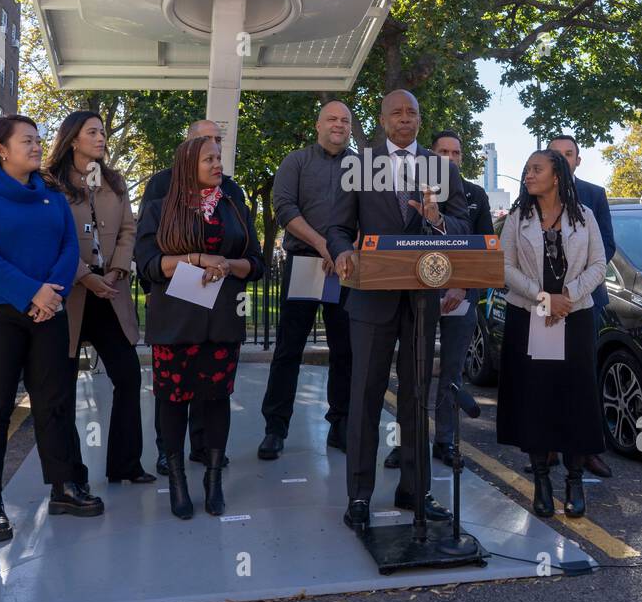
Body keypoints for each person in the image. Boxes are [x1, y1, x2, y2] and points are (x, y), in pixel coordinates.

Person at [327, 90, 471, 533]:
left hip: (422, 300)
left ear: (420, 119)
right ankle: (358, 495)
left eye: (413, 111)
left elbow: (464, 224)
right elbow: (336, 225)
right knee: (365, 397)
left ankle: (415, 488)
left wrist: (439, 218)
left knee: (415, 397)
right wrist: (342, 250)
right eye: (397, 113)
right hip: (371, 297)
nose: (405, 119)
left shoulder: (441, 168)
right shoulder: (360, 164)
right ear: (383, 120)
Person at [0, 115, 103, 544]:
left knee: (53, 403)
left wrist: (50, 296)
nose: (38, 146)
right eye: (27, 141)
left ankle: (64, 487)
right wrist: (31, 293)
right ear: (1, 149)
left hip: (48, 311)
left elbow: (68, 248)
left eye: (39, 140)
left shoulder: (53, 198)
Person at [134, 135, 264, 517]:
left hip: (222, 320)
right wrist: (197, 258)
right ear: (189, 165)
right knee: (172, 402)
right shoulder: (160, 209)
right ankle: (177, 480)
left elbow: (255, 263)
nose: (217, 164)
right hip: (175, 322)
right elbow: (148, 264)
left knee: (217, 399)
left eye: (219, 158)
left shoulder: (234, 207)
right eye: (209, 159)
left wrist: (226, 264)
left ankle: (212, 479)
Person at [497, 149, 607, 519]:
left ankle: (574, 481)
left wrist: (568, 297)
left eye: (536, 169)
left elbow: (598, 266)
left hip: (574, 316)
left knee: (576, 399)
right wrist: (545, 299)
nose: (528, 175)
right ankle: (541, 482)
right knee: (536, 400)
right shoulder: (517, 217)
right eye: (526, 168)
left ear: (556, 175)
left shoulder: (584, 216)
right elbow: (505, 266)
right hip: (529, 314)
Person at [46, 111, 152, 485]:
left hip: (111, 293)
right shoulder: (50, 183)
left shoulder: (115, 181)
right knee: (63, 387)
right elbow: (50, 238)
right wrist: (84, 277)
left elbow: (128, 228)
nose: (102, 137)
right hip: (69, 298)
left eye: (104, 131)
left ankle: (126, 465)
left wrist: (117, 270)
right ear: (73, 139)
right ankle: (71, 474)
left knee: (127, 377)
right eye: (93, 132)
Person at [257, 101, 355, 460]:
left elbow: (373, 214)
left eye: (345, 120)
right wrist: (323, 245)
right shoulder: (295, 162)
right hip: (305, 262)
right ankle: (275, 428)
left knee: (345, 350)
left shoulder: (362, 167)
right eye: (332, 118)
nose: (339, 125)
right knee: (289, 347)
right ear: (317, 124)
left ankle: (341, 424)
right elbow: (284, 208)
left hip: (345, 267)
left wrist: (345, 250)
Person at [547, 134, 616, 479]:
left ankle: (586, 451)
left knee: (583, 378)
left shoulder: (594, 195)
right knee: (545, 375)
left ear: (578, 160)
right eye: (555, 154)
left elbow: (606, 248)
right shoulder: (530, 192)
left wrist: (571, 290)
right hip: (543, 304)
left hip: (584, 301)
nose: (562, 159)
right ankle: (543, 448)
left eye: (568, 154)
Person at [426, 131, 495, 466]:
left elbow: (484, 248)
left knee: (452, 373)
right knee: (412, 371)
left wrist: (461, 287)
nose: (449, 158)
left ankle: (446, 441)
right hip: (418, 296)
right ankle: (402, 444)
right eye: (442, 152)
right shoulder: (412, 188)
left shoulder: (476, 195)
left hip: (459, 295)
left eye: (455, 153)